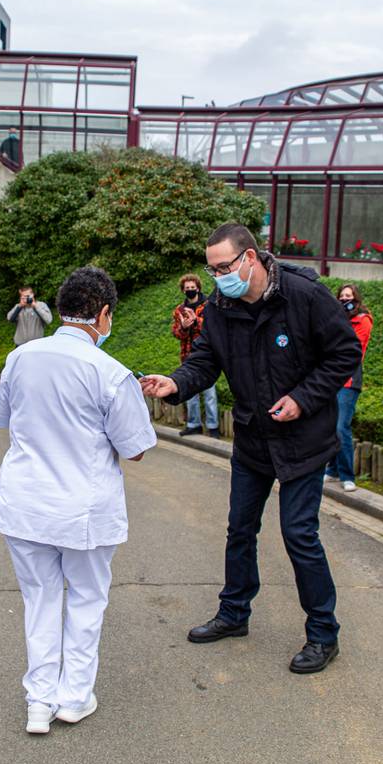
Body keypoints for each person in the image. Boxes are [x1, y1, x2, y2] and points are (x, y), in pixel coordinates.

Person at [141, 223, 361, 674]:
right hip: (253, 438)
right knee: (239, 529)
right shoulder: (220, 306)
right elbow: (206, 359)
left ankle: (323, 633)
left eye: (224, 266)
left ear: (251, 258)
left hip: (303, 441)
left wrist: (302, 399)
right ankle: (233, 613)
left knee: (300, 536)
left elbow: (344, 354)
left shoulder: (304, 296)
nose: (219, 276)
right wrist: (175, 382)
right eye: (212, 268)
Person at [0, 266, 156, 733]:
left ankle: (37, 702)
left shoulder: (20, 357)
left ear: (60, 309)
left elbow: (3, 418)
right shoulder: (111, 372)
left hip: (25, 503)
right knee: (85, 600)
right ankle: (74, 697)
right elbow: (135, 449)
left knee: (39, 599)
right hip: (83, 508)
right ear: (103, 314)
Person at [325, 284, 373, 492]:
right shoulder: (335, 317)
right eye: (341, 296)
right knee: (330, 425)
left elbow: (351, 346)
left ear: (356, 298)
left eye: (349, 296)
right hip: (331, 377)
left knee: (340, 427)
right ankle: (333, 469)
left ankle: (347, 474)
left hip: (349, 380)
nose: (345, 299)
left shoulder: (362, 320)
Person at [172, 273, 219, 438]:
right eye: (187, 289)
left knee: (209, 394)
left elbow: (212, 328)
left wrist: (196, 321)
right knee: (190, 394)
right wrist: (184, 327)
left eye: (192, 288)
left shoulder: (208, 306)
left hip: (206, 356)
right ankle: (194, 425)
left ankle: (213, 428)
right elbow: (176, 333)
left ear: (198, 288)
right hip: (187, 356)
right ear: (183, 290)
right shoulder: (179, 310)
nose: (190, 290)